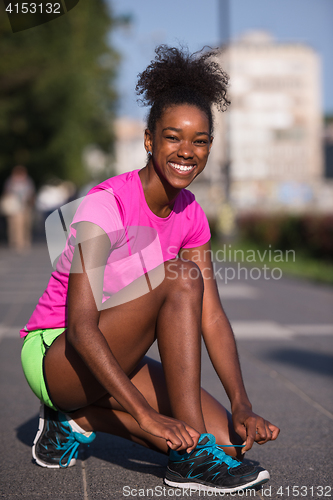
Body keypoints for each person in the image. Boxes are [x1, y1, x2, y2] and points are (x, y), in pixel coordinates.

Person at [20, 46, 279, 494]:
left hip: (119, 350)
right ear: (149, 140)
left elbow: (212, 318)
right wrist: (145, 414)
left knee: (233, 445)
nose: (186, 152)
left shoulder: (192, 213)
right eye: (173, 137)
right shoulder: (106, 206)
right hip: (56, 355)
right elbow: (81, 329)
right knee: (182, 277)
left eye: (199, 141)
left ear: (210, 147)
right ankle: (190, 459)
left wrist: (242, 403)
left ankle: (82, 418)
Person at [1, 165, 35, 252]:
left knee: (25, 225)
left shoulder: (27, 181)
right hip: (14, 207)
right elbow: (7, 193)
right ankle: (16, 242)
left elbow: (31, 193)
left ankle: (24, 241)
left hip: (25, 206)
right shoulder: (10, 181)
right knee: (14, 225)